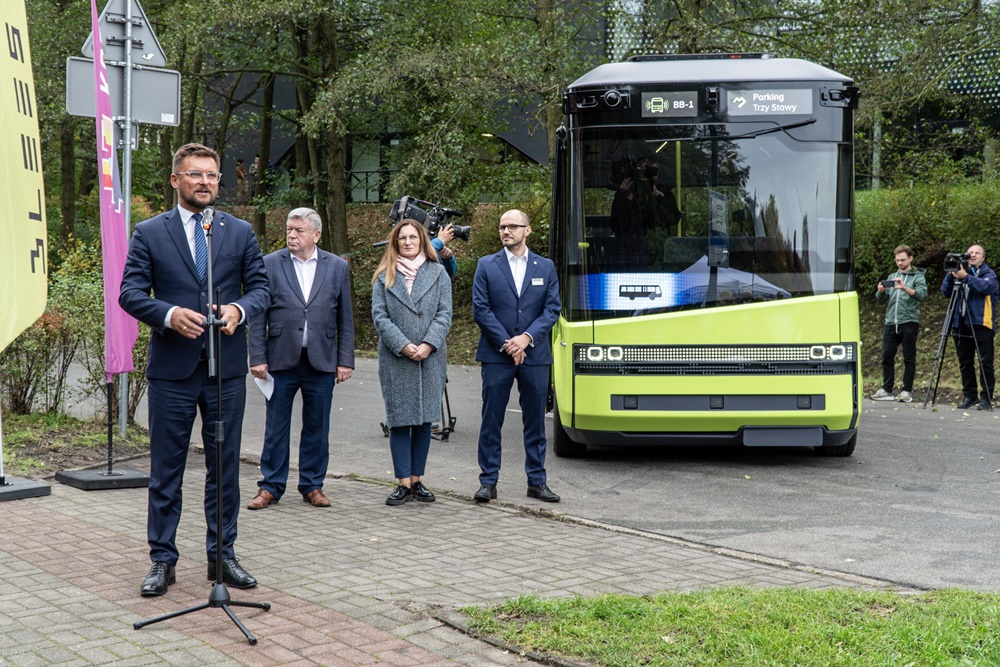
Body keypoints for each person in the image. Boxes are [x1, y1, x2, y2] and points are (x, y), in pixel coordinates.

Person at [119, 143, 270, 597]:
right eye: (195, 175)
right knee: (167, 470)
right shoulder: (150, 232)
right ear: (175, 180)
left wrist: (240, 311)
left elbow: (261, 287)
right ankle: (162, 560)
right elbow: (129, 292)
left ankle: (221, 556)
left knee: (224, 469)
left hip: (224, 371)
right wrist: (167, 314)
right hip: (173, 371)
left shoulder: (239, 231)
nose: (205, 182)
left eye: (211, 175)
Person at [247, 208, 354, 511]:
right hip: (280, 360)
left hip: (322, 360)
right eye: (289, 230)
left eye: (299, 230)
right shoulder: (269, 264)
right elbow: (258, 316)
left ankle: (312, 485)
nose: (292, 235)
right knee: (276, 427)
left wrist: (345, 360)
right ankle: (270, 486)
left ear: (316, 234)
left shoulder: (336, 267)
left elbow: (346, 318)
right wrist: (257, 356)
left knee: (317, 427)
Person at [472, 209, 561, 504]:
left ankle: (537, 481)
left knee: (535, 421)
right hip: (497, 356)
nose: (506, 231)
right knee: (491, 420)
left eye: (513, 226)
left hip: (535, 356)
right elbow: (481, 310)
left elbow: (552, 309)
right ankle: (488, 482)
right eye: (502, 227)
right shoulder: (486, 265)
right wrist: (508, 343)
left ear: (528, 230)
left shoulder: (545, 267)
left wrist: (526, 338)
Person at [371, 220, 452, 506]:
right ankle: (402, 482)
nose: (407, 242)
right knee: (400, 421)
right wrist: (404, 346)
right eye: (402, 238)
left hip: (430, 357)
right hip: (396, 358)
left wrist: (428, 344)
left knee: (424, 421)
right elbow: (380, 317)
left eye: (413, 237)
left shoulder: (439, 273)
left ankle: (417, 480)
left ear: (422, 241)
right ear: (395, 243)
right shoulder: (384, 276)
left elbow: (444, 313)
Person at [941, 244, 999, 410]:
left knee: (985, 362)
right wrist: (952, 274)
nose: (973, 255)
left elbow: (986, 288)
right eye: (970, 252)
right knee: (965, 362)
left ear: (983, 258)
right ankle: (969, 395)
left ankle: (986, 398)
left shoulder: (989, 274)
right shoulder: (959, 271)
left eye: (977, 253)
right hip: (960, 322)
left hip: (981, 323)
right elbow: (945, 292)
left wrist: (965, 276)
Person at [872, 245, 927, 403]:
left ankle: (906, 390)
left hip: (909, 321)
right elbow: (880, 298)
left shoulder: (918, 276)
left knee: (909, 357)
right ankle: (887, 389)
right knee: (887, 355)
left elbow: (922, 294)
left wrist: (904, 287)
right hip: (891, 321)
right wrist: (881, 291)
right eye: (897, 260)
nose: (900, 263)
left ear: (910, 258)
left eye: (902, 260)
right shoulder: (892, 275)